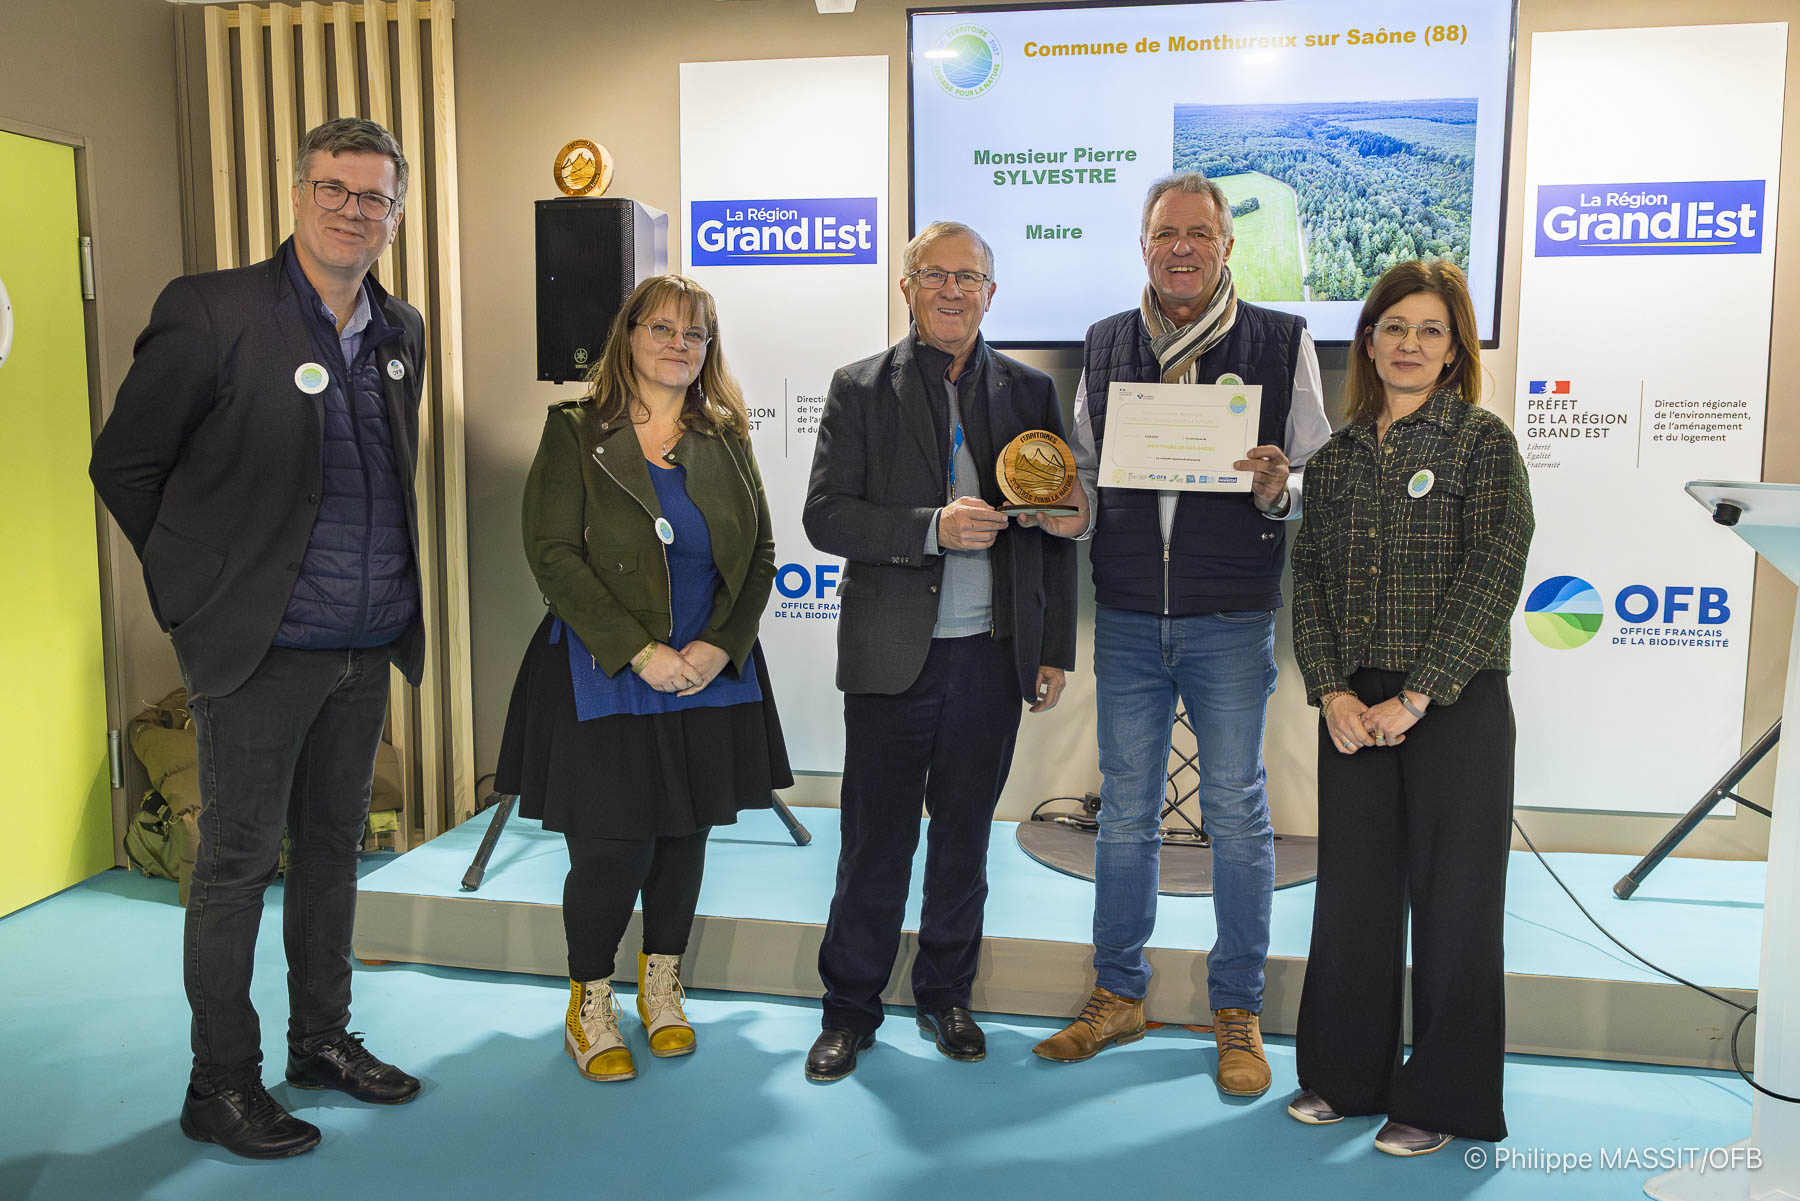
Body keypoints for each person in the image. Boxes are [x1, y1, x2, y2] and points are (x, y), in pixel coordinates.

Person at [90, 118, 425, 1159]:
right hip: (259, 648)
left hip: (364, 641)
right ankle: (220, 1081)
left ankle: (320, 1041)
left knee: (333, 852)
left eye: (374, 197)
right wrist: (199, 591)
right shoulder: (213, 310)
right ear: (297, 193)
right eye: (334, 189)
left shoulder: (401, 329)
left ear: (396, 214)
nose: (352, 211)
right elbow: (125, 464)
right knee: (236, 865)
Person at [1030, 172, 1331, 1098]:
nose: (1183, 248)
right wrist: (1064, 510)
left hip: (1230, 615)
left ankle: (1236, 1005)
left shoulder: (1280, 339)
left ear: (1227, 245)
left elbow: (1316, 473)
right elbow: (1087, 477)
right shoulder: (1105, 342)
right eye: (1166, 233)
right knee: (1126, 812)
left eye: (1200, 232)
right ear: (1145, 245)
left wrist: (1280, 488)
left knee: (1236, 811)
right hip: (1127, 613)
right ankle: (1118, 992)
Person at [496, 274, 791, 1084]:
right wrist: (640, 650)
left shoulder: (725, 436)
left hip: (708, 672)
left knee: (684, 839)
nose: (677, 345)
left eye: (694, 333)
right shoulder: (575, 431)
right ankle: (589, 1002)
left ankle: (662, 987)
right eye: (660, 328)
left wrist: (719, 646)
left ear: (709, 349)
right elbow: (552, 552)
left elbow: (761, 554)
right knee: (611, 848)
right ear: (628, 336)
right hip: (606, 667)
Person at [801, 221, 1078, 1082]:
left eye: (969, 277)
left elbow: (1057, 530)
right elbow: (825, 516)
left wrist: (1052, 646)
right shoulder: (858, 388)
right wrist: (931, 529)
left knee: (964, 840)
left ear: (991, 294)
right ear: (907, 286)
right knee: (873, 843)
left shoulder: (1030, 391)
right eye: (935, 275)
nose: (952, 290)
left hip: (992, 657)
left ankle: (946, 995)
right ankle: (849, 1008)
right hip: (892, 660)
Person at [1286, 259, 1532, 1155]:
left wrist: (1419, 694)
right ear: (1368, 339)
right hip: (1354, 708)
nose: (1410, 344)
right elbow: (1309, 581)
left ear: (1455, 348)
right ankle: (1345, 1076)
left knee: (1455, 904)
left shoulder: (1481, 443)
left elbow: (1496, 569)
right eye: (1395, 327)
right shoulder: (1337, 457)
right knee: (1353, 897)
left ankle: (1439, 1098)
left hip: (1454, 703)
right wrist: (1331, 690)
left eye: (1431, 330)